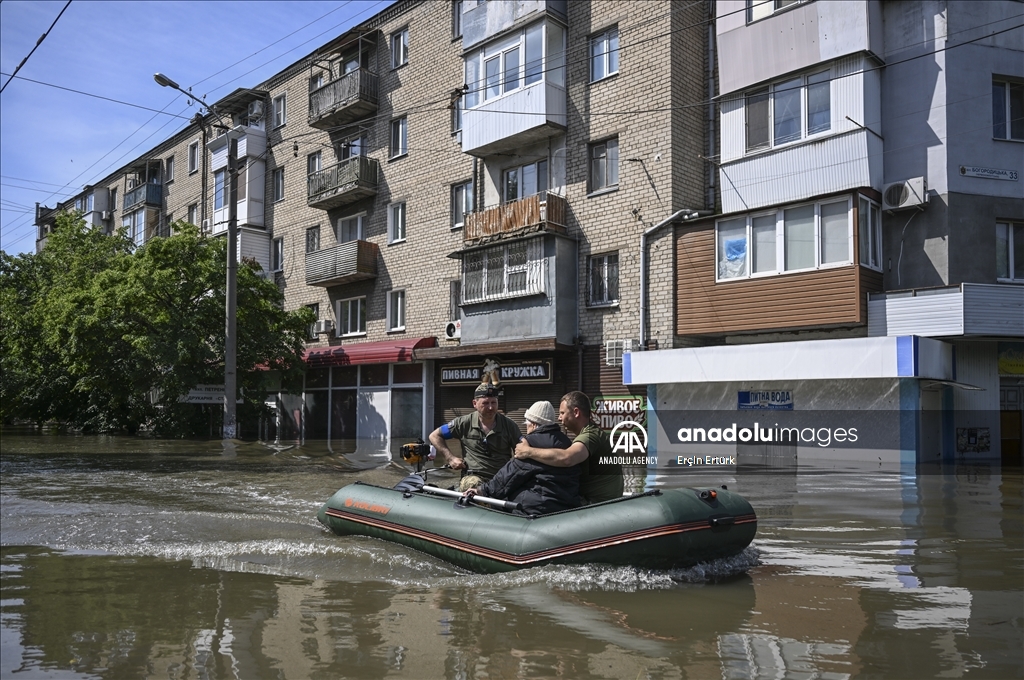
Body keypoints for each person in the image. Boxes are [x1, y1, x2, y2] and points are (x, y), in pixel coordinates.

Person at [464, 400, 581, 516]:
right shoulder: (566, 442)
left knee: (498, 503)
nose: (526, 428)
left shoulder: (529, 444)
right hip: (566, 506)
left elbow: (508, 477)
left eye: (527, 423)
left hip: (537, 509)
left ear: (534, 424)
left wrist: (482, 490)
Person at [513, 391, 624, 504]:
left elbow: (567, 458)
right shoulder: (591, 433)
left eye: (562, 413)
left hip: (598, 507)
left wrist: (528, 451)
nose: (559, 418)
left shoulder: (591, 436)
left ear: (576, 412)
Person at [428, 384, 522, 490]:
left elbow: (523, 451)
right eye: (485, 403)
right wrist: (451, 459)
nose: (490, 407)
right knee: (473, 485)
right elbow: (435, 436)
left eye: (493, 402)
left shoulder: (509, 425)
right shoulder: (463, 423)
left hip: (500, 477)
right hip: (473, 477)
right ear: (475, 403)